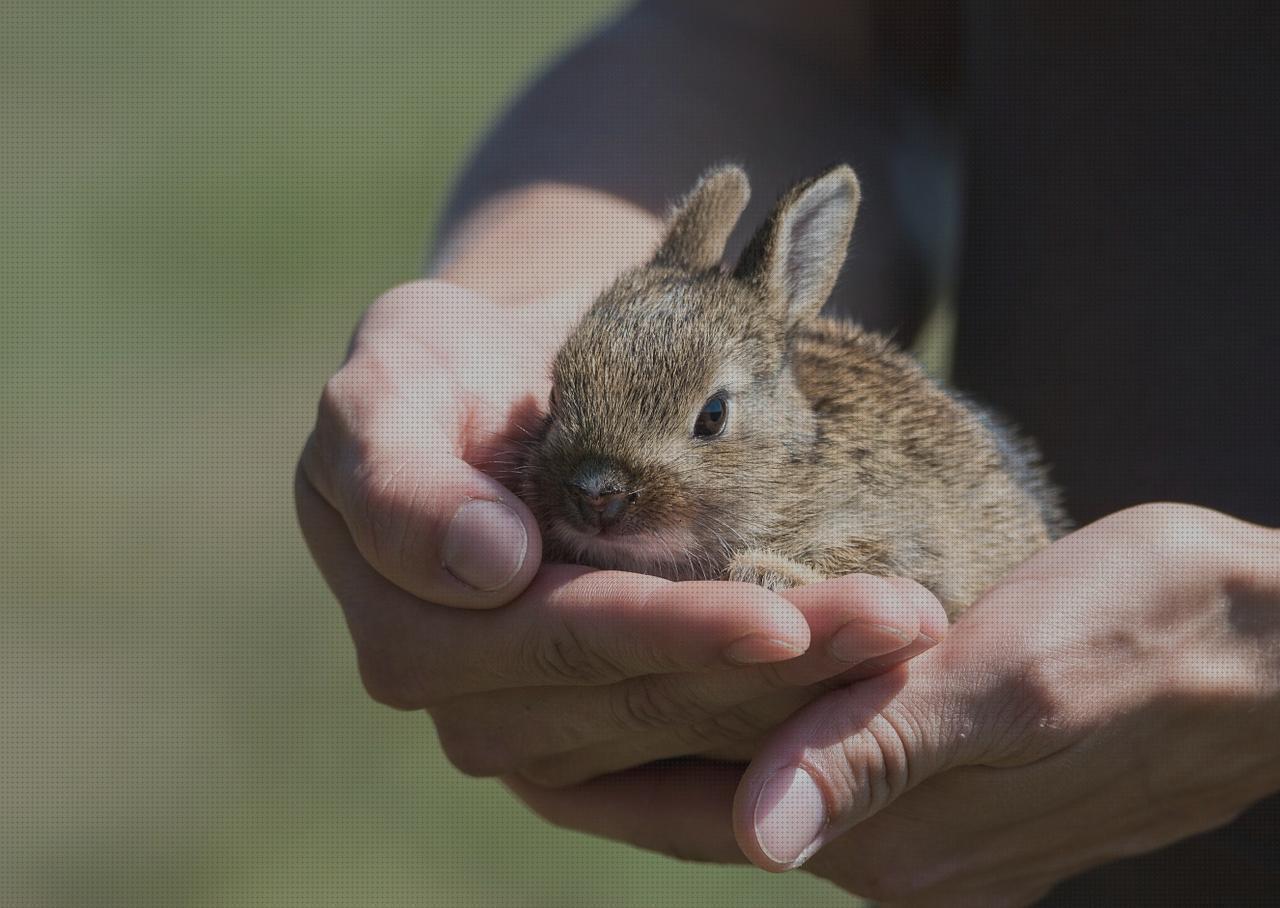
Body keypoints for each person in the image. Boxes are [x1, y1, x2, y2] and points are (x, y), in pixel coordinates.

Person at [295, 1, 1280, 903]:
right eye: (566, 406)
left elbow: (923, 560)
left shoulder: (831, 497)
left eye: (706, 424)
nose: (595, 489)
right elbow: (787, 33)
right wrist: (503, 308)